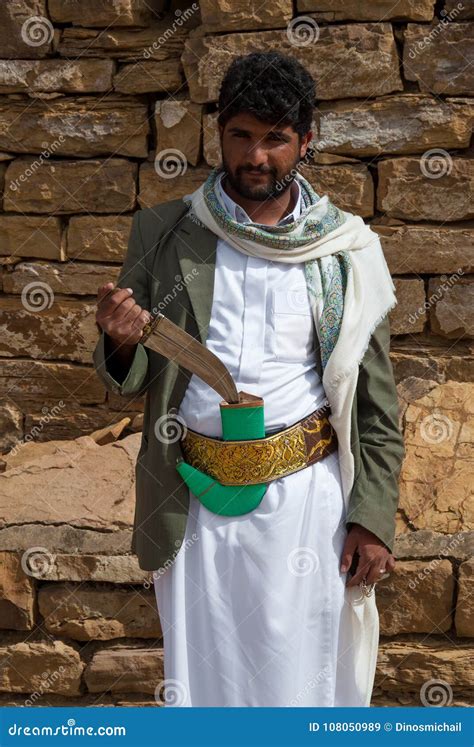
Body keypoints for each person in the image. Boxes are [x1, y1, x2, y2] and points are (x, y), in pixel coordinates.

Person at [93, 51, 405, 707]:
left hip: (306, 506)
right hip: (195, 499)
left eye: (275, 139)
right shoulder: (164, 231)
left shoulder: (347, 249)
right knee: (206, 685)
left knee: (302, 682)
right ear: (219, 133)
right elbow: (133, 379)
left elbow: (375, 402)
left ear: (306, 140)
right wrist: (121, 343)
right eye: (241, 136)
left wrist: (371, 519)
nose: (255, 156)